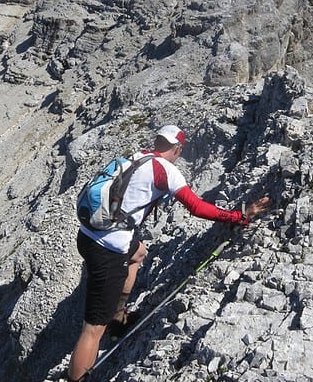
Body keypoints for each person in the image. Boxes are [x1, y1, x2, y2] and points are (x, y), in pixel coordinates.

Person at [68, 125, 271, 381]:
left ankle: (118, 318)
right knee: (92, 329)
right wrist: (238, 217)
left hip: (87, 235)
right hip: (108, 250)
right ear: (178, 148)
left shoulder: (135, 157)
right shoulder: (167, 172)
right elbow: (196, 207)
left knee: (139, 253)